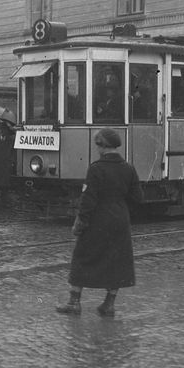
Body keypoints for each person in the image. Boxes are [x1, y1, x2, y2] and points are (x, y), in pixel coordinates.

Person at [56, 128, 142, 317]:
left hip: (98, 220)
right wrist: (122, 211)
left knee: (81, 257)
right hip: (120, 219)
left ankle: (74, 302)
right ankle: (109, 304)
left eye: (97, 144)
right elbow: (137, 198)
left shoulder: (96, 168)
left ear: (102, 146)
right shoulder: (129, 168)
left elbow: (88, 200)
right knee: (117, 262)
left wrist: (79, 223)